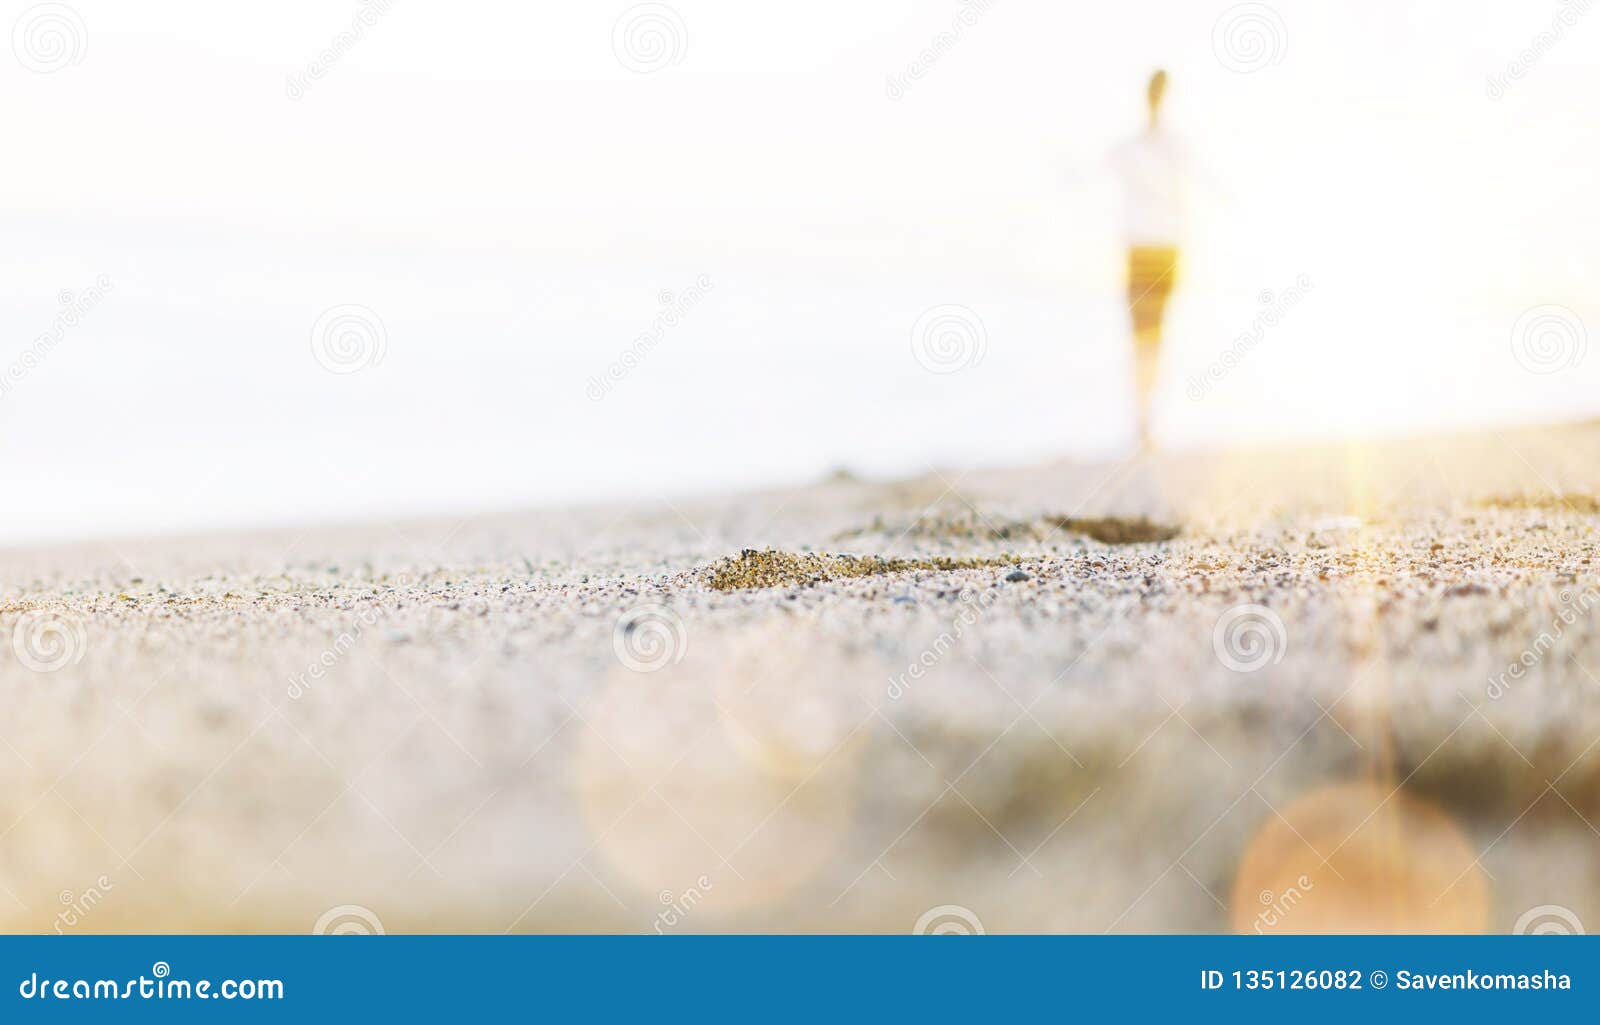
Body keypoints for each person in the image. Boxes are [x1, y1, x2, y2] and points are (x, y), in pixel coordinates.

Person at [1109, 69, 1185, 451]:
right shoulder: (1154, 147)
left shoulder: (1145, 148)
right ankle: (1144, 422)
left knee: (1148, 338)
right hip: (1151, 248)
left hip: (1154, 249)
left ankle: (1146, 421)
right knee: (1149, 338)